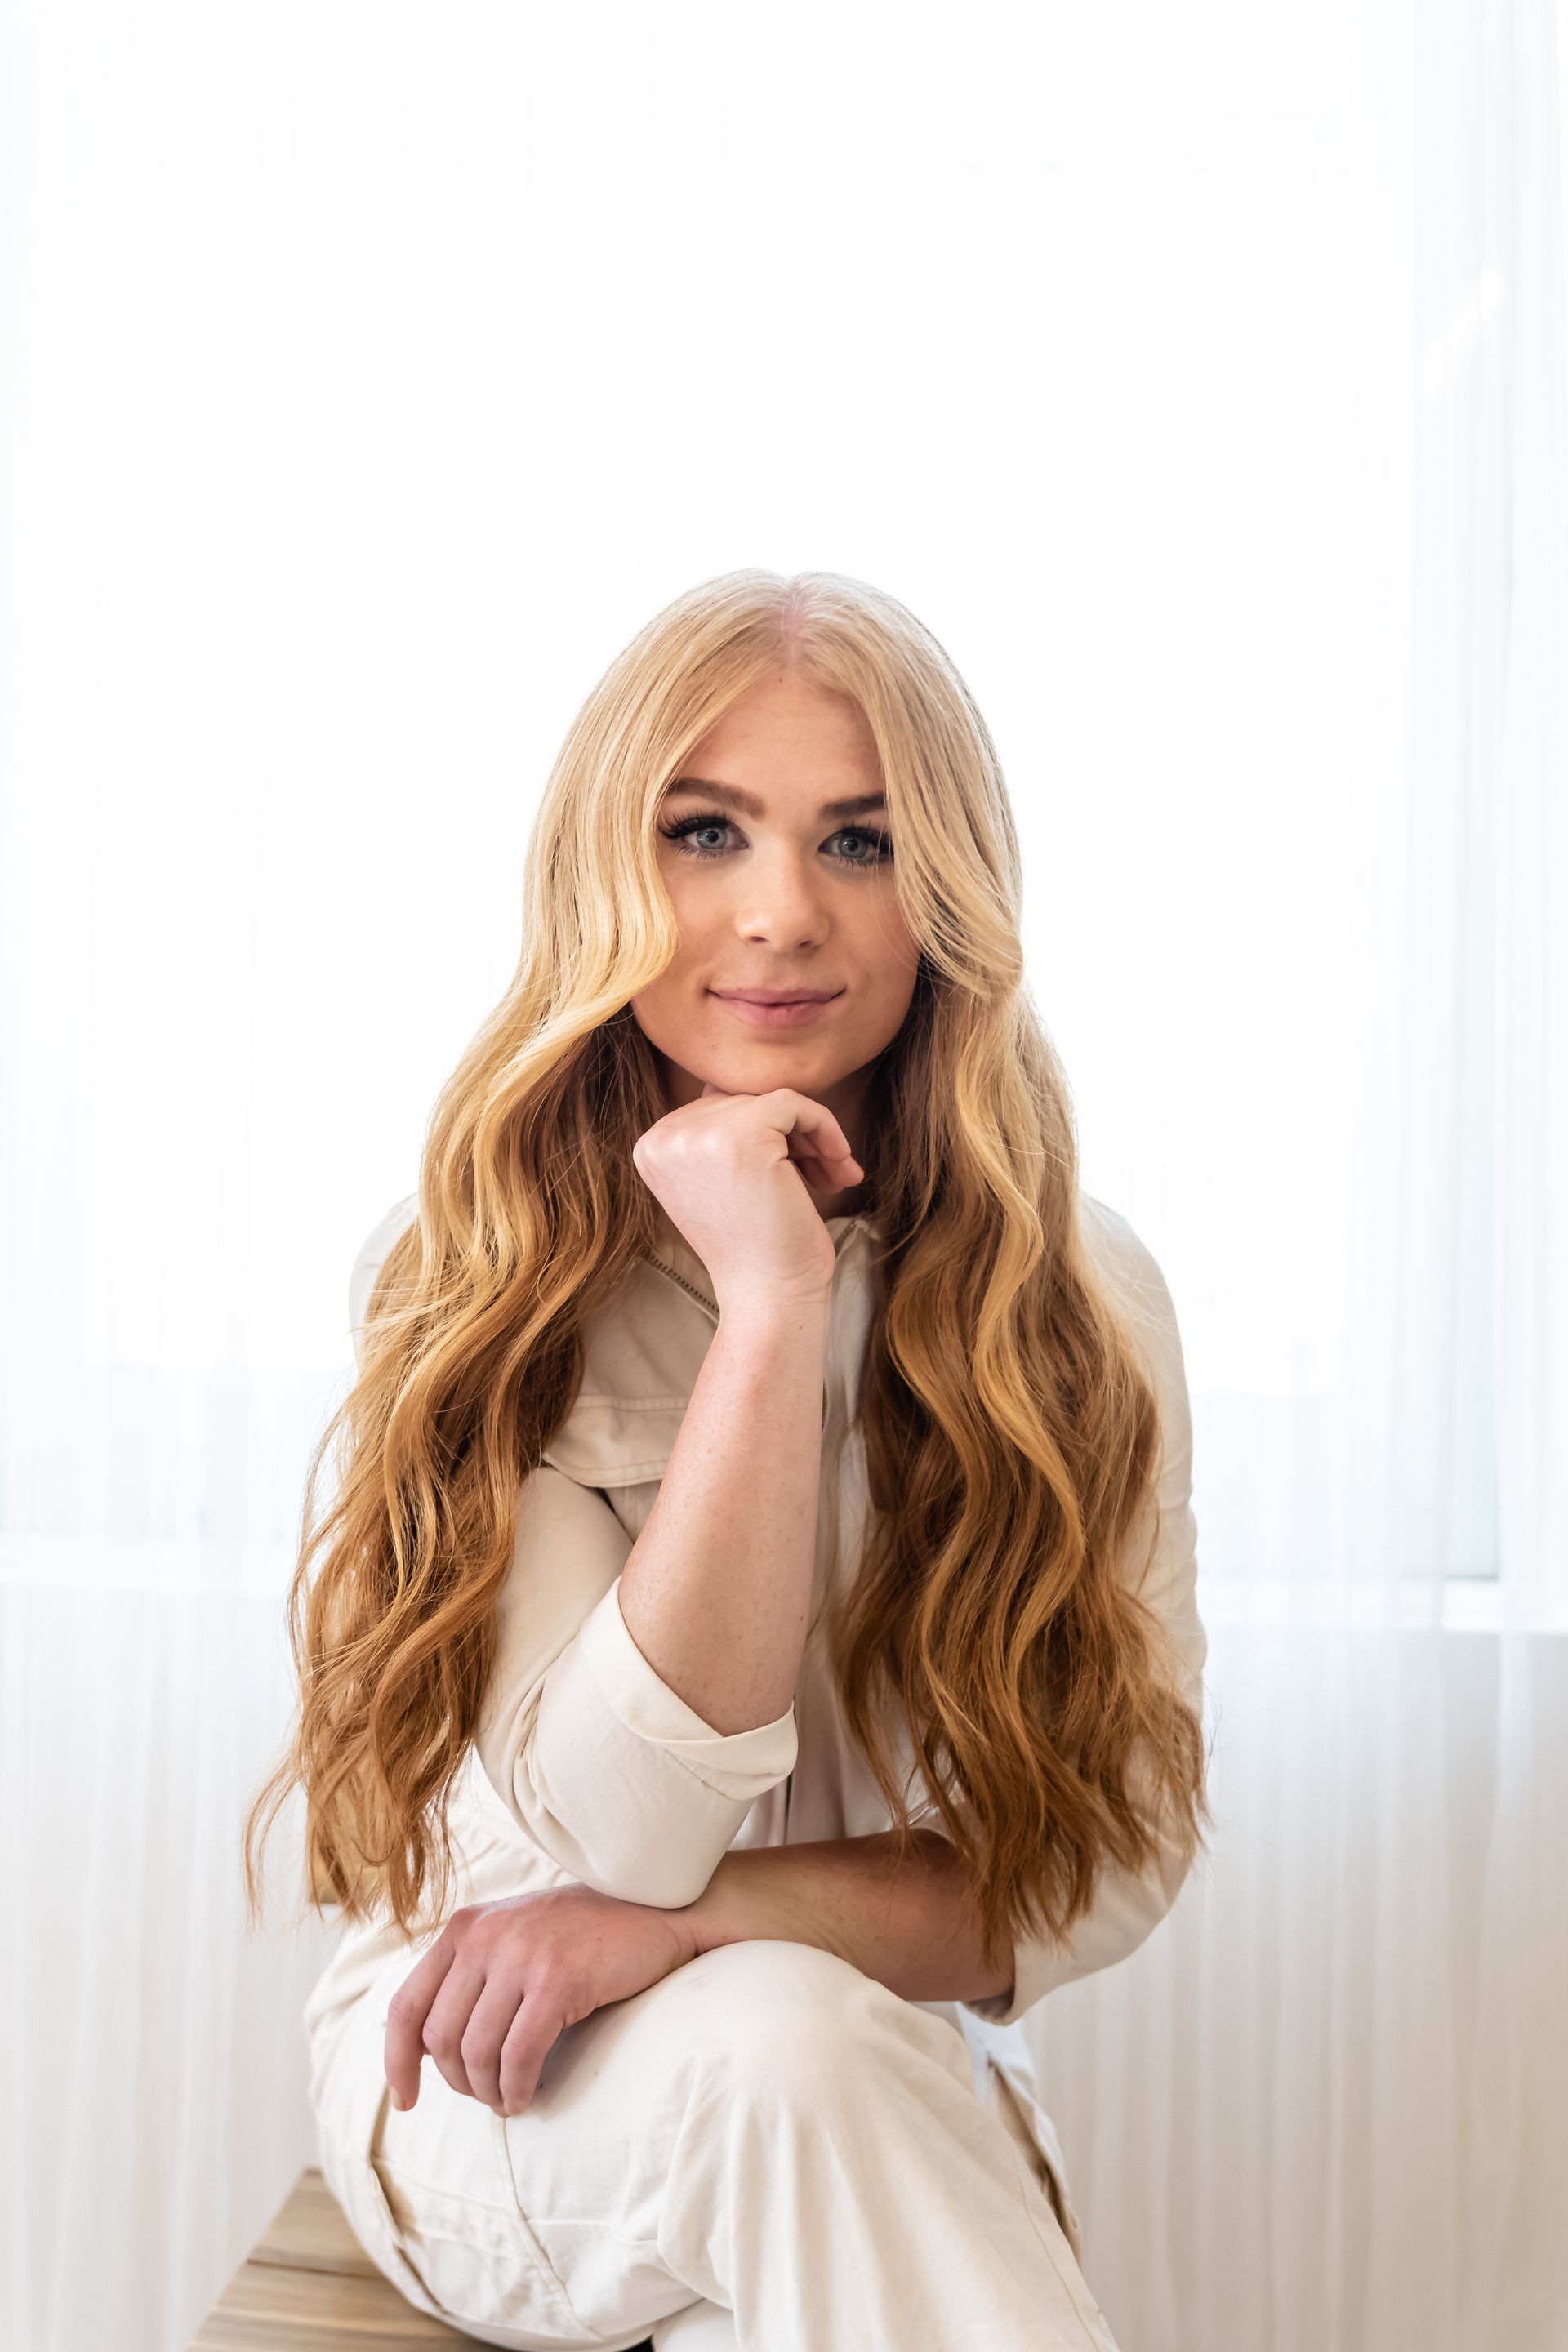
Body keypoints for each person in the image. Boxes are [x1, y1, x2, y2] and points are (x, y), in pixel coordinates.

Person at [244, 567, 1213, 2352]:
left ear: (950, 899)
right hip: (498, 2082)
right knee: (785, 2047)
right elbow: (625, 1822)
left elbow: (1103, 1867)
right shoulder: (463, 1277)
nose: (781, 913)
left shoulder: (1084, 1300)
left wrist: (705, 1930)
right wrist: (769, 1306)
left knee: (798, 2056)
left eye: (860, 843)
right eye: (708, 832)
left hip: (869, 2081)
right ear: (609, 867)